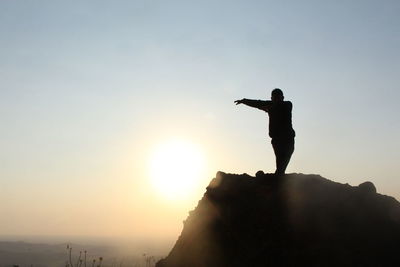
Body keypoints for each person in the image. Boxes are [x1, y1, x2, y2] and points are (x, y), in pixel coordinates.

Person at [234, 88, 295, 175]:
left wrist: (267, 107)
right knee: (280, 165)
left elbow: (261, 104)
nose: (276, 100)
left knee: (282, 164)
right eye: (274, 98)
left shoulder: (287, 105)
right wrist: (244, 101)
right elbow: (258, 103)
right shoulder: (270, 105)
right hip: (277, 140)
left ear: (282, 97)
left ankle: (278, 178)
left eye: (278, 98)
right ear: (271, 98)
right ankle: (278, 179)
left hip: (288, 139)